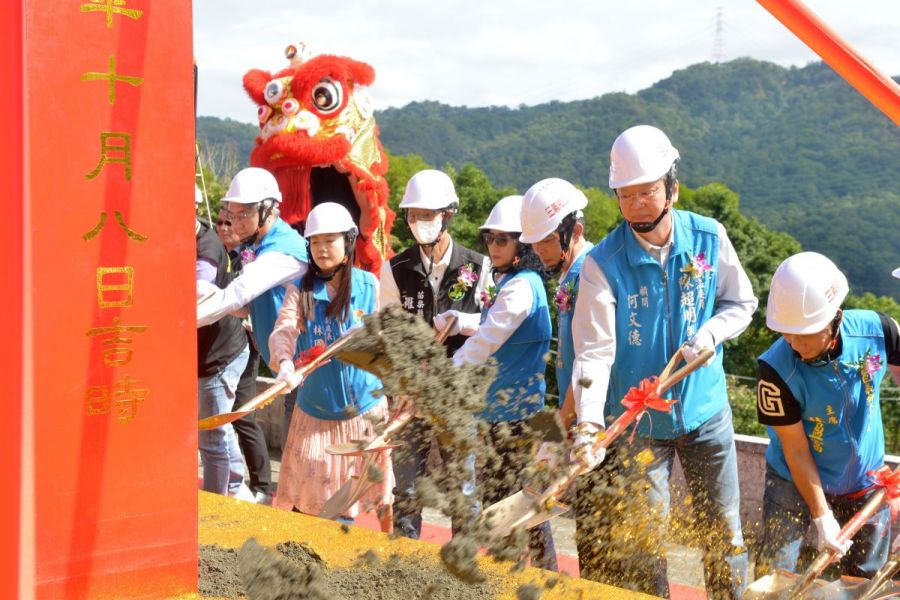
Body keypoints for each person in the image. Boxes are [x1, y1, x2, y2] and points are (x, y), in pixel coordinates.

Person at [570, 125, 757, 598]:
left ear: (672, 187)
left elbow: (742, 303)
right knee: (643, 542)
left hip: (706, 413)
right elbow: (593, 352)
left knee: (725, 534)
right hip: (638, 426)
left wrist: (710, 333)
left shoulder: (709, 237)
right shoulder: (601, 264)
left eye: (647, 193)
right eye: (625, 195)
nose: (636, 205)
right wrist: (589, 426)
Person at [754, 252, 900, 580]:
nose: (795, 345)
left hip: (866, 476)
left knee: (864, 579)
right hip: (793, 477)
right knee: (775, 573)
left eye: (805, 335)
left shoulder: (879, 331)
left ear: (836, 317)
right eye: (788, 334)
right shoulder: (774, 370)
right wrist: (822, 517)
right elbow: (795, 450)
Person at [268, 203, 393, 532]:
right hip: (317, 413)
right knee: (315, 499)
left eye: (330, 241)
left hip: (365, 410)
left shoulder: (370, 286)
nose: (322, 249)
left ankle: (392, 547)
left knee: (379, 492)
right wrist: (284, 364)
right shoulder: (301, 291)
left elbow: (386, 340)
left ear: (349, 242)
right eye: (315, 242)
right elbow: (284, 331)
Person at [380, 169, 491, 540]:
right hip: (410, 391)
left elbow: (496, 324)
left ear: (448, 214)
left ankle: (463, 562)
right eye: (414, 215)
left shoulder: (479, 266)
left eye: (428, 215)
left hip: (457, 394)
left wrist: (464, 321)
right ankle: (405, 561)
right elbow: (390, 331)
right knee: (407, 487)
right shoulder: (395, 269)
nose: (420, 222)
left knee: (463, 485)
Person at [449, 194, 557, 571]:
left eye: (502, 240)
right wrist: (461, 321)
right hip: (505, 415)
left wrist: (446, 374)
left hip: (515, 423)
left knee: (518, 513)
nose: (492, 247)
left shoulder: (520, 287)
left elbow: (488, 340)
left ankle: (539, 585)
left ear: (522, 245)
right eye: (489, 239)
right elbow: (495, 328)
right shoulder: (523, 284)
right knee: (517, 513)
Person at [197, 168, 308, 452]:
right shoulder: (259, 245)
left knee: (303, 455)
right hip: (286, 365)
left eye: (244, 213)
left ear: (270, 210)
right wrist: (209, 295)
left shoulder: (283, 250)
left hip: (306, 365)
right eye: (233, 213)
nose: (236, 222)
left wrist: (182, 320)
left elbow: (239, 294)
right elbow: (245, 307)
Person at [518, 178, 593, 430]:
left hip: (593, 418)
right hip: (575, 412)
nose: (538, 250)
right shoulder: (569, 273)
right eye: (534, 242)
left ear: (576, 232)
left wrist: (560, 426)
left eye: (547, 240)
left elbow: (588, 360)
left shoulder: (590, 276)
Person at [214, 209, 276, 504]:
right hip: (218, 348)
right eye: (221, 222)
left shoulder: (250, 259)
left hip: (245, 345)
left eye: (232, 222)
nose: (226, 228)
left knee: (242, 413)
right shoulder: (212, 258)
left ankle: (262, 484)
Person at [195, 186, 252, 499]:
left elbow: (196, 296)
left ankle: (217, 503)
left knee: (212, 433)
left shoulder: (204, 249)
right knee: (220, 427)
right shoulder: (198, 235)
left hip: (220, 352)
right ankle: (234, 484)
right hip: (215, 347)